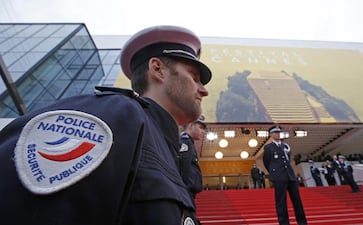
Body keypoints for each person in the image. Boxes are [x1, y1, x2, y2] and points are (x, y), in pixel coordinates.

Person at [0, 25, 212, 225]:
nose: (204, 90)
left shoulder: (166, 147)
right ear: (158, 69)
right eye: (194, 77)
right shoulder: (113, 115)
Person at [263, 125, 308, 225]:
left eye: (279, 132)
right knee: (281, 202)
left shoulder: (285, 146)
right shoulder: (268, 147)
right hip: (279, 177)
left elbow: (288, 159)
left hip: (290, 176)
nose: (278, 134)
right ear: (271, 134)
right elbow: (267, 162)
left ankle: (302, 222)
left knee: (297, 200)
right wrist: (274, 173)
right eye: (275, 132)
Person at [179, 114, 206, 200]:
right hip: (185, 193)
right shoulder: (184, 142)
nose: (203, 131)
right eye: (200, 127)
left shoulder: (188, 142)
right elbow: (183, 168)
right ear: (191, 126)